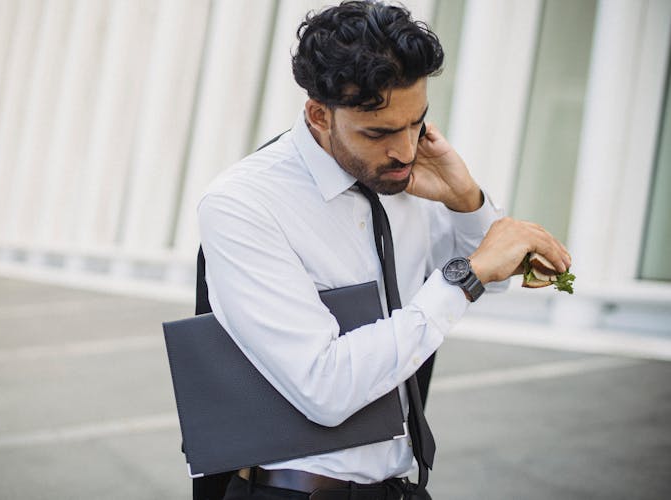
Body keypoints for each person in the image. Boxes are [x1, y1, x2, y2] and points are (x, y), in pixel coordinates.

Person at [197, 1, 571, 498]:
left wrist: (467, 202)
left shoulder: (409, 179)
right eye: (378, 132)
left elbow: (495, 282)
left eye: (416, 123)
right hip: (291, 491)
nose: (405, 149)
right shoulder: (244, 204)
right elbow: (324, 389)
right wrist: (465, 275)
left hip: (400, 486)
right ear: (318, 115)